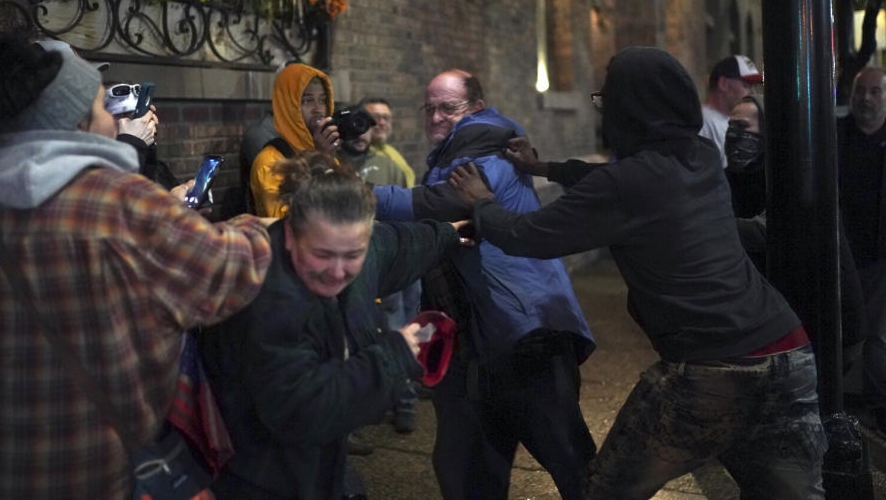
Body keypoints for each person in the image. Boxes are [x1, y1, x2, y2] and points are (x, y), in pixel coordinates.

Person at [449, 46, 827, 499]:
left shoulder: (626, 183)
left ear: (629, 109)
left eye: (606, 101)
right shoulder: (700, 155)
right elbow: (618, 183)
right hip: (788, 353)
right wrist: (544, 167)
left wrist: (481, 204)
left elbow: (529, 235)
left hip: (710, 369)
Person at [0, 31, 272, 498]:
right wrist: (259, 227)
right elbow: (225, 272)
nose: (115, 117)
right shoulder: (113, 198)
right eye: (102, 104)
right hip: (81, 467)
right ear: (77, 122)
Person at [372, 69, 596, 499]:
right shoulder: (456, 152)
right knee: (466, 467)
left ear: (475, 107)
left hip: (525, 333)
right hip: (478, 338)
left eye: (448, 107)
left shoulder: (489, 149)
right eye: (430, 108)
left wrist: (365, 196)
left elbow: (442, 204)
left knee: (570, 461)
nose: (436, 117)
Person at [200, 152, 470, 499]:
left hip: (314, 467)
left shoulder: (352, 246)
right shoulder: (267, 300)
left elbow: (399, 244)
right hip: (260, 477)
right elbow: (304, 411)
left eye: (353, 255)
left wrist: (449, 233)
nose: (339, 271)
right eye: (323, 255)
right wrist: (394, 356)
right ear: (291, 235)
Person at [725, 95, 865, 373]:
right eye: (731, 127)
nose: (733, 135)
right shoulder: (734, 178)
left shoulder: (796, 175)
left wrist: (711, 225)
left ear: (768, 133)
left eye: (742, 127)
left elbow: (769, 229)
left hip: (825, 319)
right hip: (781, 320)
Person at [337, 112, 420, 433]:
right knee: (354, 335)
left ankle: (404, 400)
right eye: (353, 128)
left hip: (386, 259)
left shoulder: (389, 165)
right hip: (350, 262)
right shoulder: (334, 164)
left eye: (366, 127)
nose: (360, 134)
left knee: (397, 327)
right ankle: (363, 407)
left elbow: (407, 208)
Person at [838, 66, 886, 434]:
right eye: (860, 92)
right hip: (844, 256)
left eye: (875, 92)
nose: (866, 99)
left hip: (879, 259)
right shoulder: (835, 138)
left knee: (873, 339)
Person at [249, 63, 339, 216]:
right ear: (289, 107)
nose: (318, 109)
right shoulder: (270, 162)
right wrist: (320, 160)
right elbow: (288, 220)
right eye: (308, 101)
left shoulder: (326, 152)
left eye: (323, 100)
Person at [101, 78, 180, 190]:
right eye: (120, 116)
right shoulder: (94, 169)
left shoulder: (158, 168)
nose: (127, 124)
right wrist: (133, 144)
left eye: (133, 116)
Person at [698, 54, 761, 166]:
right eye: (746, 85)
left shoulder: (724, 120)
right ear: (724, 84)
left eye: (754, 86)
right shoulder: (703, 122)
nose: (753, 92)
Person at [361, 97, 416, 186]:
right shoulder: (359, 155)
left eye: (386, 118)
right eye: (375, 117)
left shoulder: (392, 151)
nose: (382, 123)